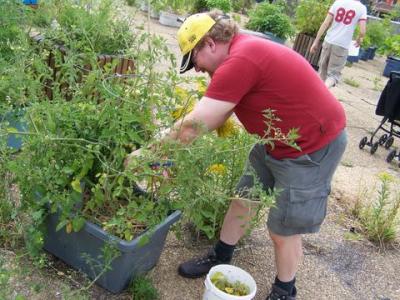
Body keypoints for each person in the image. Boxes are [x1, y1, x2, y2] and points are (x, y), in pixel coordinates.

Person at [127, 11, 347, 300]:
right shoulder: (238, 53)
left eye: (194, 60)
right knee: (243, 199)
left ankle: (284, 291)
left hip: (310, 146)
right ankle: (220, 255)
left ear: (209, 43)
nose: (195, 70)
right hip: (274, 141)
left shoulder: (241, 59)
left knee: (283, 229)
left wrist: (146, 154)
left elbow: (194, 126)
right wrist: (168, 156)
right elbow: (213, 117)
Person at [310, 0, 367, 88]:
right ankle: (323, 91)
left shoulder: (338, 2)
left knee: (322, 72)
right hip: (342, 45)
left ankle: (316, 94)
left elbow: (326, 23)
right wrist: (359, 39)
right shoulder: (362, 8)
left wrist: (316, 41)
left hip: (328, 41)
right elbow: (362, 31)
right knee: (333, 76)